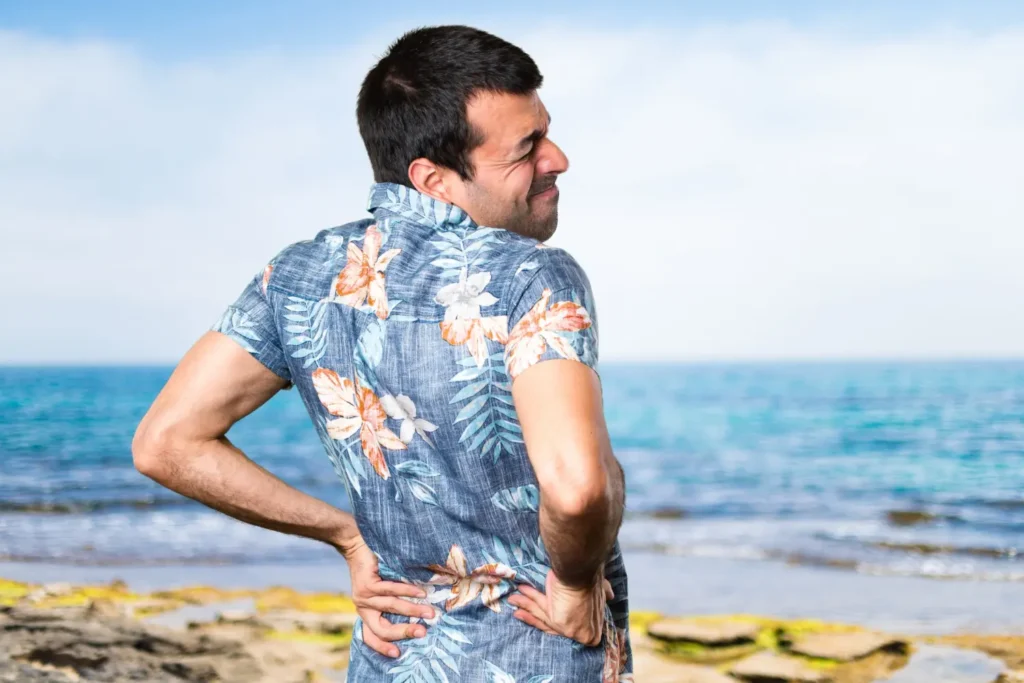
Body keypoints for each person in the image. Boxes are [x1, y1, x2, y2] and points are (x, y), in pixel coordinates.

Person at [133, 25, 630, 682]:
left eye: (547, 130)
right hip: (539, 651)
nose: (557, 158)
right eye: (526, 148)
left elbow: (165, 442)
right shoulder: (530, 279)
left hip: (395, 655)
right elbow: (575, 488)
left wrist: (345, 532)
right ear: (434, 179)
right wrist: (572, 584)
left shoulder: (301, 277)